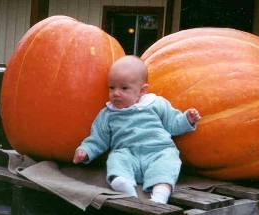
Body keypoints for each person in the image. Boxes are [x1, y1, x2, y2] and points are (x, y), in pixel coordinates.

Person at [73, 55, 201, 204]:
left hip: (158, 151)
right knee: (116, 159)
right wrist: (86, 151)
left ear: (142, 91)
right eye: (112, 87)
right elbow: (98, 138)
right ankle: (124, 184)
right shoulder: (108, 114)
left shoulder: (156, 104)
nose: (116, 93)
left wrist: (187, 119)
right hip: (127, 153)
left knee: (168, 162)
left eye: (124, 88)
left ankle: (160, 194)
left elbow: (173, 123)